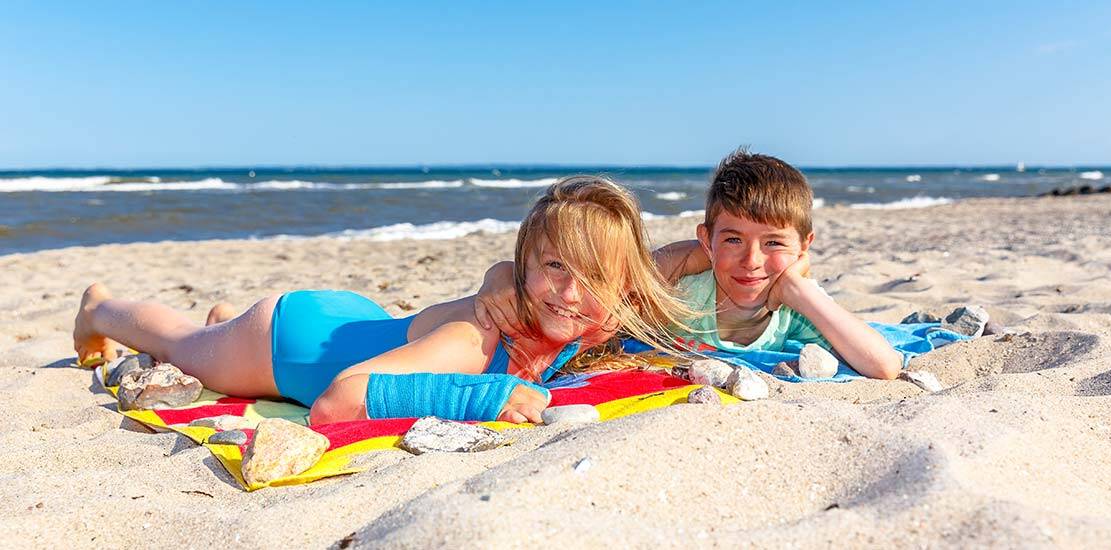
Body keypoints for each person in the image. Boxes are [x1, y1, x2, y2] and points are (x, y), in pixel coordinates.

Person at [73, 176, 692, 425]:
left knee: (213, 330)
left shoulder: (592, 315)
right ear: (525, 265)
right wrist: (491, 396)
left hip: (359, 317)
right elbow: (335, 401)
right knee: (182, 344)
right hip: (286, 343)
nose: (571, 293)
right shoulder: (476, 341)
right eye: (554, 267)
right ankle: (99, 307)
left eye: (594, 276)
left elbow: (667, 263)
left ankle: (223, 316)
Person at [474, 150, 903, 379]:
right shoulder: (685, 286)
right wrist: (499, 274)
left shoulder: (795, 311)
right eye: (732, 239)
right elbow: (597, 275)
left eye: (773, 243)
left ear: (805, 246)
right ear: (707, 240)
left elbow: (884, 366)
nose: (751, 261)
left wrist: (800, 289)